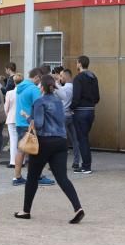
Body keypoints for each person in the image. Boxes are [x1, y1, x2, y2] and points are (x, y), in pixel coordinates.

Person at [13, 75, 84, 224]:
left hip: (45, 142)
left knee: (32, 177)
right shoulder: (59, 102)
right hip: (61, 141)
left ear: (42, 87)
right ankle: (78, 208)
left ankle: (26, 211)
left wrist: (27, 117)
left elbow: (38, 124)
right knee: (62, 178)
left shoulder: (40, 101)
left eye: (39, 86)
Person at [70, 55, 100, 175]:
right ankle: (86, 165)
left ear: (79, 64)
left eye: (77, 63)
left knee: (82, 139)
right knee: (85, 138)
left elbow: (76, 97)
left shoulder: (78, 78)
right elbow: (97, 97)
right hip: (90, 111)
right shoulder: (93, 77)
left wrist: (71, 107)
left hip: (80, 111)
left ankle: (86, 166)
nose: (76, 65)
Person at [56, 69, 81, 172]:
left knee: (61, 141)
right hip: (71, 115)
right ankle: (76, 162)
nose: (60, 78)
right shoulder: (75, 87)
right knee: (75, 140)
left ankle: (58, 163)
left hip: (63, 116)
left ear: (66, 77)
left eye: (61, 76)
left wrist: (56, 85)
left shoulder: (63, 88)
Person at [5, 73, 24, 179]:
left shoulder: (9, 93)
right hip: (22, 118)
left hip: (12, 118)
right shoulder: (24, 92)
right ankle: (23, 161)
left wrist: (8, 115)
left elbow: (6, 107)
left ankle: (13, 161)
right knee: (22, 141)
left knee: (13, 140)